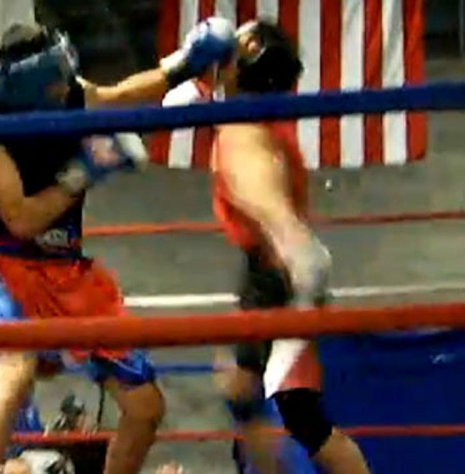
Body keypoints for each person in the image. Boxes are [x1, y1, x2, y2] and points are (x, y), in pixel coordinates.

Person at [0, 17, 237, 474]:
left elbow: (124, 95)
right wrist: (86, 171)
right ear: (31, 87)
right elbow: (22, 220)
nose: (63, 88)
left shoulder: (71, 95)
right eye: (54, 84)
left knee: (145, 407)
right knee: (14, 374)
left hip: (69, 272)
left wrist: (184, 65)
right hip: (12, 267)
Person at [209, 19, 371, 474]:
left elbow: (265, 199)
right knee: (258, 397)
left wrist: (291, 250)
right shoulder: (252, 122)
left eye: (231, 56)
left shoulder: (242, 133)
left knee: (286, 409)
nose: (221, 63)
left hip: (276, 270)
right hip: (275, 267)